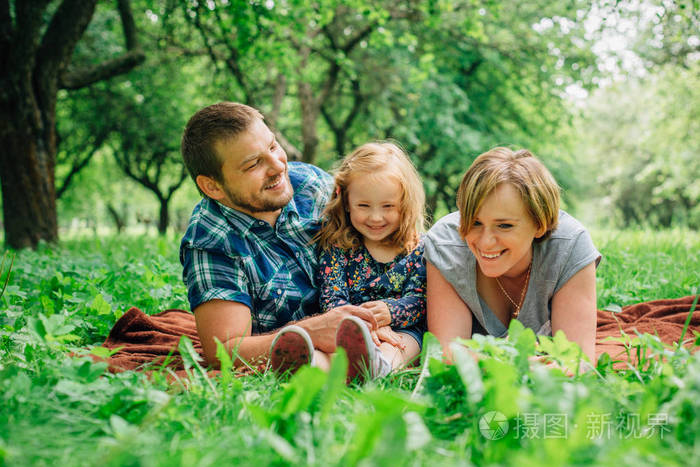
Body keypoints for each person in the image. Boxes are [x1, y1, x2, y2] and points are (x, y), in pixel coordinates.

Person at [179, 102, 379, 371]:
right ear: (212, 186)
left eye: (273, 147)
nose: (278, 167)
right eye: (253, 164)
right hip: (306, 351)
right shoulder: (211, 240)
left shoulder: (312, 185)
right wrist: (312, 330)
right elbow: (224, 350)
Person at [424, 147, 601, 365]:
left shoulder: (569, 246)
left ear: (539, 224)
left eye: (504, 225)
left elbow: (578, 362)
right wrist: (519, 366)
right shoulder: (446, 245)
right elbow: (447, 355)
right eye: (475, 222)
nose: (485, 242)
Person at [314, 142, 427, 382]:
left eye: (388, 206)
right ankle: (314, 365)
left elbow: (421, 299)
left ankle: (378, 368)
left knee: (400, 345)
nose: (376, 217)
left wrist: (390, 312)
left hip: (402, 331)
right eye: (363, 206)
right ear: (345, 201)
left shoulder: (418, 247)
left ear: (404, 204)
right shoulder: (338, 246)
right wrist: (365, 327)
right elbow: (332, 298)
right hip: (348, 330)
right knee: (332, 348)